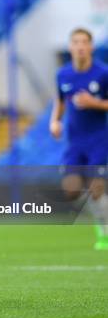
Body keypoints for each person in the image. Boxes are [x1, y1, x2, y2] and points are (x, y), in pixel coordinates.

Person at [50, 28, 108, 250]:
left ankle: (104, 234)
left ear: (91, 47)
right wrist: (54, 121)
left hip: (99, 140)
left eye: (85, 42)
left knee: (97, 188)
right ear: (71, 46)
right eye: (76, 42)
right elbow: (61, 101)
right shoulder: (63, 74)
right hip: (75, 142)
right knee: (71, 190)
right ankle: (99, 214)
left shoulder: (103, 73)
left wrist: (94, 103)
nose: (81, 46)